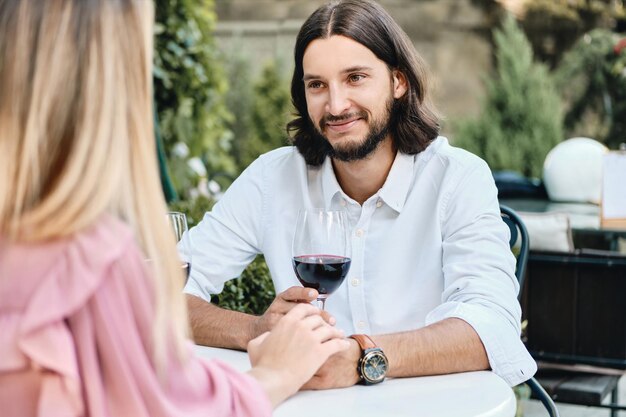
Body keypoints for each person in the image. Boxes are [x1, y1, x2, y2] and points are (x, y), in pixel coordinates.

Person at [0, 1, 350, 416]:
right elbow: (173, 399)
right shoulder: (85, 262)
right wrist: (274, 368)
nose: (336, 104)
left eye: (355, 78)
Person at [180, 0, 537, 389]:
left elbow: (494, 326)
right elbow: (157, 293)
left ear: (398, 82)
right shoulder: (274, 178)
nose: (335, 105)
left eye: (355, 78)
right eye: (317, 84)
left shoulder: (458, 178)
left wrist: (361, 357)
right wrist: (256, 328)